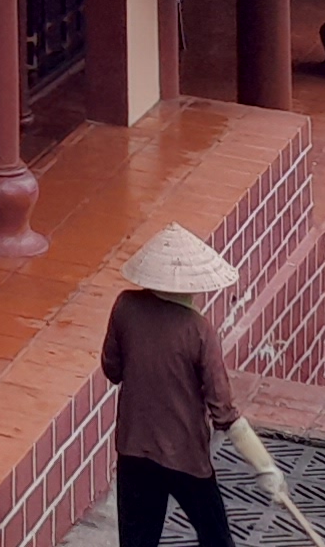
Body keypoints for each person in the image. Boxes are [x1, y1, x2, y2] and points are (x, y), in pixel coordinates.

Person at [101, 227, 243, 547]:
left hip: (135, 447)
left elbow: (112, 369)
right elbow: (221, 407)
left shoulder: (125, 306)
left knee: (137, 541)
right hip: (185, 455)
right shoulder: (199, 329)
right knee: (216, 538)